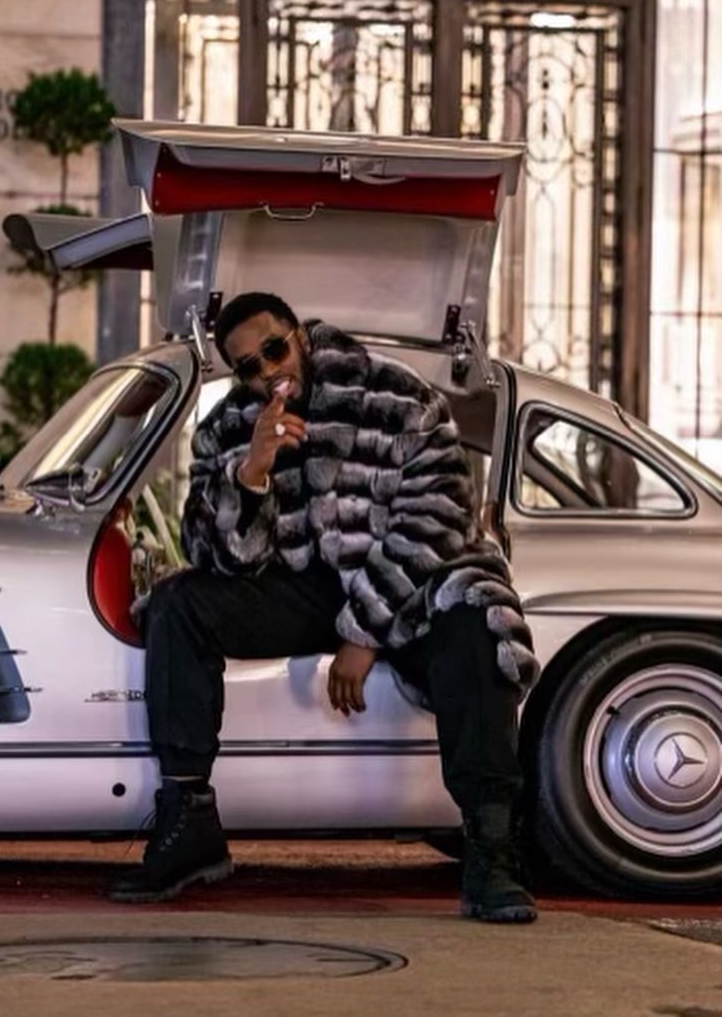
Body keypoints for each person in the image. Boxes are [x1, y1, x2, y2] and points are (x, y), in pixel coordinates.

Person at [109, 292, 540, 923]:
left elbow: (439, 519)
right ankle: (189, 821)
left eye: (275, 350)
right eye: (250, 367)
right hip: (304, 585)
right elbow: (212, 556)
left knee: (478, 625)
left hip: (411, 583)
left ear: (300, 336)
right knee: (178, 603)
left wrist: (362, 635)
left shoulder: (394, 394)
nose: (269, 371)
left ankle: (492, 851)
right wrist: (250, 474)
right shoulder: (227, 429)